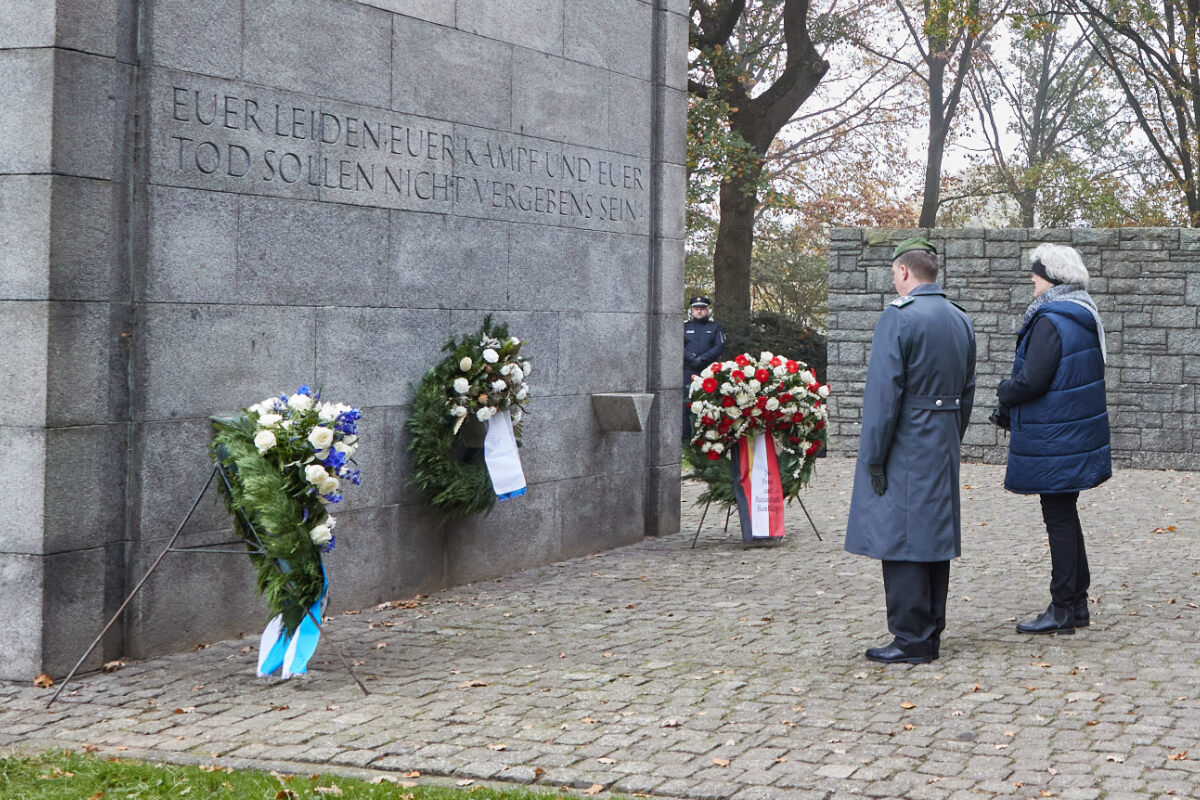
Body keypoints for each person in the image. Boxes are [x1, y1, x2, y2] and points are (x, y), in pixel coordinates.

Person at [845, 237, 976, 665]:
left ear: (903, 272)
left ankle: (910, 638)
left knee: (900, 537)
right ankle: (930, 630)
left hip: (905, 438)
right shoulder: (961, 319)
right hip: (941, 438)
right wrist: (950, 436)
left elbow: (883, 397)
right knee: (934, 534)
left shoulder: (898, 318)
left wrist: (875, 457)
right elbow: (968, 391)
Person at [992, 244, 1110, 635]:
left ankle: (1062, 608)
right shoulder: (1082, 314)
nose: (1032, 279)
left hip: (1055, 438)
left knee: (1058, 518)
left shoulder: (1050, 318)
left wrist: (1004, 390)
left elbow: (1032, 380)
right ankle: (1075, 605)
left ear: (1054, 279)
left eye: (1037, 274)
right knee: (1065, 514)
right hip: (1072, 434)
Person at [684, 296, 725, 439]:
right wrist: (691, 358)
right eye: (696, 309)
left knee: (709, 403)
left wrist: (702, 358)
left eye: (702, 309)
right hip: (688, 371)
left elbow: (719, 347)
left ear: (707, 310)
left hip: (708, 372)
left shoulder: (715, 327)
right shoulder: (684, 327)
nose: (699, 311)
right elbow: (678, 345)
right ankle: (687, 437)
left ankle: (708, 437)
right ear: (691, 310)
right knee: (687, 403)